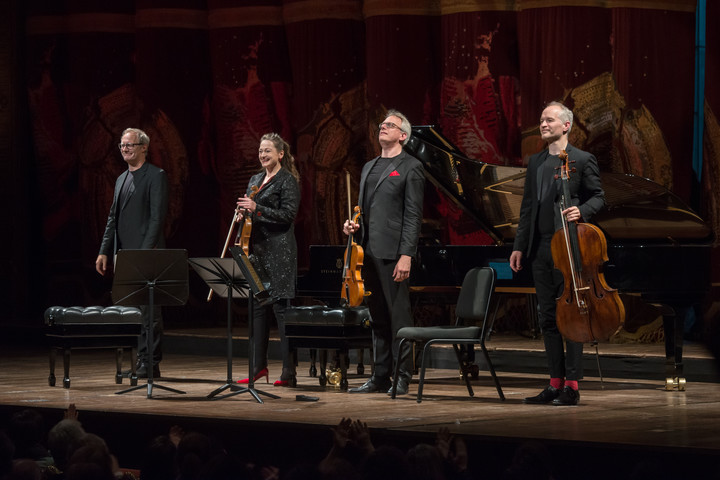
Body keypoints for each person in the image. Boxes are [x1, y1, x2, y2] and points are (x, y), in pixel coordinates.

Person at [509, 101, 605, 406]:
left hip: (569, 248)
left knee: (573, 315)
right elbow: (527, 208)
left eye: (549, 120)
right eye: (541, 120)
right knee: (547, 317)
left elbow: (599, 196)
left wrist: (583, 210)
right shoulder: (536, 162)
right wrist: (519, 246)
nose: (542, 124)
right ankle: (554, 382)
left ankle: (572, 384)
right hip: (540, 248)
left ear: (566, 126)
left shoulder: (582, 159)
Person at [343, 110, 424, 395]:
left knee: (398, 316)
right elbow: (366, 210)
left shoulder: (411, 167)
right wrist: (353, 225)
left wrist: (407, 255)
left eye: (390, 125)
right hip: (366, 252)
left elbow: (413, 215)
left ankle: (403, 376)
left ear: (403, 135)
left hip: (393, 253)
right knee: (376, 316)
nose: (383, 128)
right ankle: (380, 376)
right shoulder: (368, 167)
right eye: (382, 125)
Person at [96, 128, 169, 378]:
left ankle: (151, 363)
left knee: (151, 312)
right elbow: (112, 219)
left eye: (130, 145)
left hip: (146, 255)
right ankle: (141, 361)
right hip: (125, 255)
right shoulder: (121, 179)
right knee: (136, 313)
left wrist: (143, 252)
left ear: (143, 148)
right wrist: (104, 250)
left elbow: (157, 219)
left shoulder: (156, 175)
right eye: (122, 145)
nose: (125, 149)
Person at [235, 132, 301, 387]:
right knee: (257, 311)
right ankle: (258, 368)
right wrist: (243, 214)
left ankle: (288, 373)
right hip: (258, 252)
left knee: (282, 311)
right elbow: (251, 210)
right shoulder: (255, 179)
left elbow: (287, 215)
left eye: (268, 151)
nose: (263, 155)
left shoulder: (287, 180)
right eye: (261, 151)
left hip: (280, 251)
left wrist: (256, 209)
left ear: (280, 154)